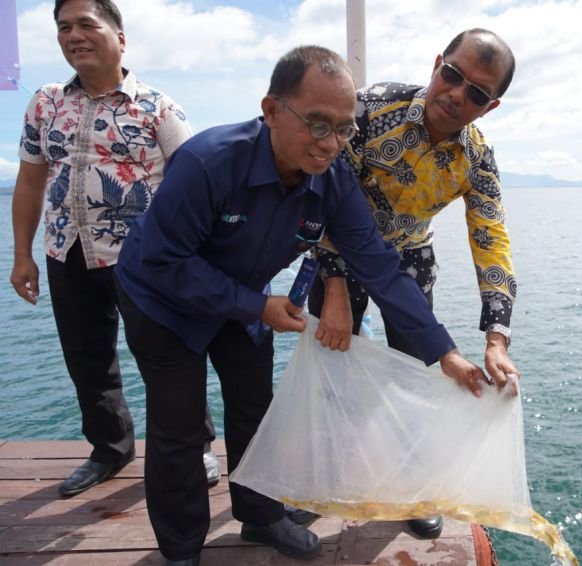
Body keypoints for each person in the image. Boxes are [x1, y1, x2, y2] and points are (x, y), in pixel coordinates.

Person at [113, 45, 489, 565]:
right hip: (162, 302)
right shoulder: (207, 162)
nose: (331, 144)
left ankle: (261, 516)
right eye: (317, 124)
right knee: (177, 427)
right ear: (271, 110)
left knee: (255, 410)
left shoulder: (331, 181)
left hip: (245, 302)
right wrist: (255, 304)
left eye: (344, 129)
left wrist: (443, 352)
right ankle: (181, 551)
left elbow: (380, 264)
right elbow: (162, 262)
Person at [308, 28, 520, 539]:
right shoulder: (366, 111)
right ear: (436, 64)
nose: (455, 95)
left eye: (476, 93)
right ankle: (322, 484)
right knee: (330, 371)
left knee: (419, 375)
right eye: (452, 75)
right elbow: (319, 194)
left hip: (408, 260)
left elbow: (490, 237)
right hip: (337, 254)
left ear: (489, 107)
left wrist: (496, 337)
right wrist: (334, 287)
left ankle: (413, 487)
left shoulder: (477, 158)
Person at [8, 0, 220, 498]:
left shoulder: (159, 108)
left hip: (143, 260)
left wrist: (192, 261)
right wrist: (23, 255)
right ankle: (110, 448)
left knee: (167, 357)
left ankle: (195, 446)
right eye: (63, 27)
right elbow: (31, 180)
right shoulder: (45, 102)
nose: (73, 35)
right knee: (87, 360)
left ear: (120, 38)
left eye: (86, 24)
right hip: (67, 252)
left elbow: (196, 188)